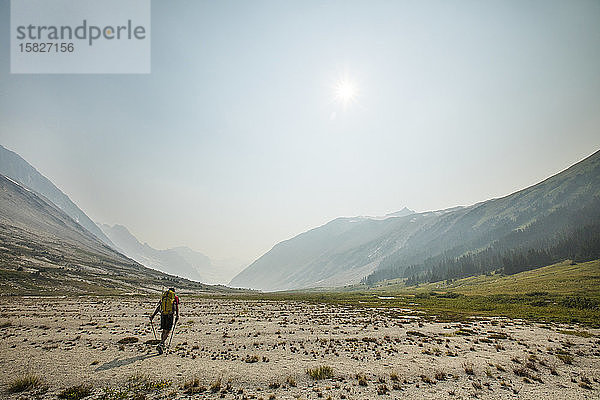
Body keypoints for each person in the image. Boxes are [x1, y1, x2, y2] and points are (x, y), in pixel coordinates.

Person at [150, 287, 179, 354]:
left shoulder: (163, 297)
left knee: (164, 330)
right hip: (170, 315)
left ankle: (162, 344)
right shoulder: (175, 297)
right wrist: (177, 316)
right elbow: (176, 307)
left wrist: (153, 316)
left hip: (163, 314)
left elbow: (159, 307)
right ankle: (161, 343)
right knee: (168, 330)